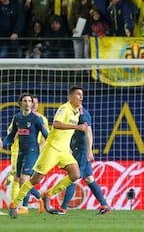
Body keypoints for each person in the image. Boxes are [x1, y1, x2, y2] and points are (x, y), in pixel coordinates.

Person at [8, 86, 87, 218]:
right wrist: (76, 126)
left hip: (64, 151)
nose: (81, 97)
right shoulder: (64, 108)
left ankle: (47, 194)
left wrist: (68, 147)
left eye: (82, 95)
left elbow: (67, 133)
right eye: (78, 94)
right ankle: (14, 204)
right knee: (35, 179)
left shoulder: (77, 112)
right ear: (71, 96)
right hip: (52, 149)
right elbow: (56, 124)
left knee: (75, 174)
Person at [56, 106, 112, 215]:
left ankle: (63, 208)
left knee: (73, 176)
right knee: (89, 178)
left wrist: (89, 151)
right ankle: (105, 205)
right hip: (77, 149)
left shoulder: (83, 114)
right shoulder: (73, 113)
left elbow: (88, 132)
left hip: (81, 150)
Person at [0, 93, 49, 215]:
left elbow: (46, 134)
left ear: (32, 104)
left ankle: (18, 206)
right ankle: (40, 198)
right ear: (20, 103)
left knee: (23, 179)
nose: (27, 103)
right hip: (20, 151)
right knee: (20, 180)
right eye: (25, 101)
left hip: (32, 152)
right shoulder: (17, 118)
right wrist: (2, 144)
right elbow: (11, 135)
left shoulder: (37, 118)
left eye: (29, 101)